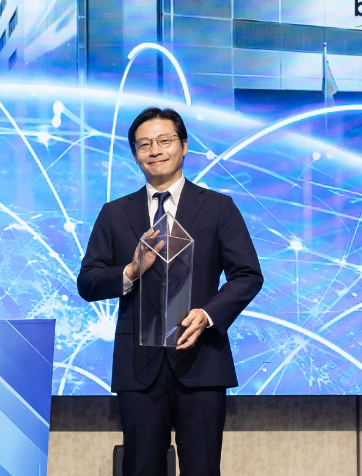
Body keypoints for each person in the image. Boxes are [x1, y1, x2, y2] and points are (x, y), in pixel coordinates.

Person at [77, 107, 263, 476]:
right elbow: (88, 282)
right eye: (144, 144)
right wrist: (131, 270)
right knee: (141, 468)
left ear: (184, 146)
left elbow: (247, 275)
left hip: (201, 362)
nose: (155, 150)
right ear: (135, 154)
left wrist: (208, 314)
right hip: (138, 367)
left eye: (164, 140)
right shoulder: (115, 213)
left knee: (203, 469)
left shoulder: (218, 207)